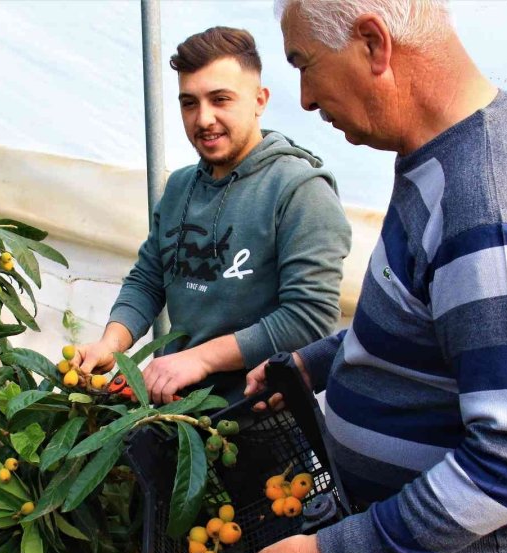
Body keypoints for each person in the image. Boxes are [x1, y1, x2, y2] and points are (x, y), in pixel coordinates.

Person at [243, 1, 507, 553]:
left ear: (374, 44)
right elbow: (428, 323)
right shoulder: (441, 156)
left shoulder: (491, 201)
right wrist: (314, 363)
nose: (303, 97)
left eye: (304, 64)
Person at [72, 26, 351, 404]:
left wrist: (199, 359)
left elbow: (309, 319)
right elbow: (149, 277)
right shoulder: (181, 187)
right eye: (190, 103)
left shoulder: (300, 191)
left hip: (255, 422)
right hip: (173, 409)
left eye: (221, 99)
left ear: (260, 100)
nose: (204, 119)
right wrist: (112, 342)